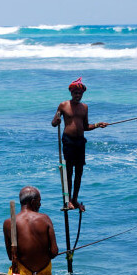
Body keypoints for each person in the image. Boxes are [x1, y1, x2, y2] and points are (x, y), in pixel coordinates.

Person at [51, 78, 108, 211]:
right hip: (68, 141)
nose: (78, 95)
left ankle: (75, 200)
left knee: (79, 172)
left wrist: (98, 125)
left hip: (80, 142)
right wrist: (56, 120)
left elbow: (86, 126)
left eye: (80, 93)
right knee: (69, 171)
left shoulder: (85, 107)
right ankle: (68, 200)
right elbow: (54, 123)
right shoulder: (63, 105)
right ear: (71, 93)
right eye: (75, 93)